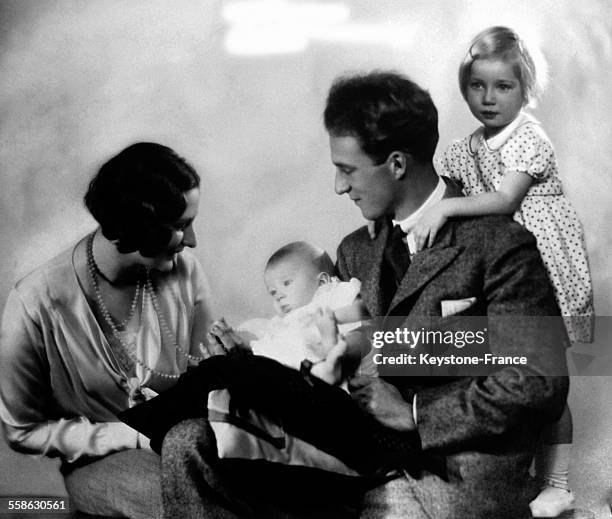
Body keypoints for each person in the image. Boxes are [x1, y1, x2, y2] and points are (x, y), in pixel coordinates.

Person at [160, 71, 568, 519]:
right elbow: (332, 359)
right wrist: (255, 359)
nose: (338, 186)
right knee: (188, 442)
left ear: (396, 164)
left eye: (347, 169)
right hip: (352, 455)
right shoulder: (356, 250)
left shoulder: (501, 245)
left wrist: (416, 412)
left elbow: (539, 378)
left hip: (442, 474)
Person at [411, 26, 593, 517]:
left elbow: (506, 199)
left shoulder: (529, 139)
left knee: (546, 376)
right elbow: (439, 192)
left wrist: (447, 212)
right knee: (504, 374)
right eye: (477, 86)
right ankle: (512, 472)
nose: (488, 98)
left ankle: (559, 483)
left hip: (545, 267)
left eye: (503, 87)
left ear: (526, 89)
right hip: (501, 272)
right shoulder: (465, 147)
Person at [0, 142, 213, 519]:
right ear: (138, 227)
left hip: (187, 442)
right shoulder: (34, 302)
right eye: (180, 226)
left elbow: (206, 373)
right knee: (186, 506)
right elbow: (22, 431)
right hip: (103, 462)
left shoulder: (187, 272)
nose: (192, 240)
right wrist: (126, 436)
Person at [236, 240, 373, 374]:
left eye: (287, 283)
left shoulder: (332, 293)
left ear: (322, 282)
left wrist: (335, 316)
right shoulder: (287, 320)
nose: (279, 296)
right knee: (263, 342)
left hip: (338, 353)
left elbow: (367, 308)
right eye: (273, 292)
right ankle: (237, 349)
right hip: (299, 366)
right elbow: (275, 343)